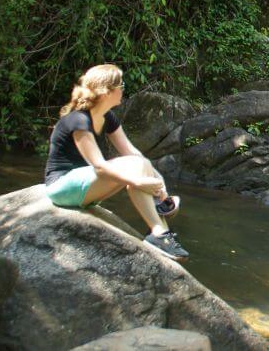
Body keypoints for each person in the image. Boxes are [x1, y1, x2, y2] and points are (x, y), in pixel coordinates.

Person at [43, 64, 189, 261]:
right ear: (106, 92)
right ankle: (157, 232)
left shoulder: (107, 117)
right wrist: (138, 182)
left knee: (140, 163)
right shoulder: (77, 120)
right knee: (136, 168)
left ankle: (162, 227)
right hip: (62, 187)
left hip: (86, 185)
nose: (123, 89)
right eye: (121, 85)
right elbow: (99, 166)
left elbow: (131, 152)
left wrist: (159, 182)